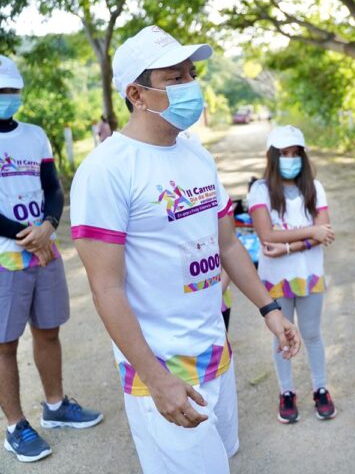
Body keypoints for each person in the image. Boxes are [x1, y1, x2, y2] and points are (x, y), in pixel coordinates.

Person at [70, 26, 301, 473]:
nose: (191, 85)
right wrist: (156, 379)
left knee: (223, 459)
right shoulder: (106, 170)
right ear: (137, 93)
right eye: (175, 77)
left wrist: (270, 309)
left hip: (216, 352)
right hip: (162, 370)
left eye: (191, 73)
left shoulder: (197, 155)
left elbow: (228, 244)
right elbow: (106, 290)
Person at [0, 55, 102, 463]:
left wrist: (49, 224)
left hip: (44, 251)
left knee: (48, 332)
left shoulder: (35, 135)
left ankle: (56, 407)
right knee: (4, 346)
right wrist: (26, 235)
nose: (7, 97)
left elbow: (53, 188)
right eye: (0, 91)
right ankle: (14, 426)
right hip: (7, 257)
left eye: (12, 90)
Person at [248, 125, 336, 424]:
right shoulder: (259, 190)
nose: (290, 159)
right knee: (281, 336)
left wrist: (288, 248)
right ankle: (286, 392)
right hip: (275, 278)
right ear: (272, 156)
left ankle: (320, 388)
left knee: (311, 334)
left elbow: (326, 234)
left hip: (310, 274)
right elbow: (266, 234)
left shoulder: (316, 187)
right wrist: (311, 232)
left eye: (295, 153)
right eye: (284, 154)